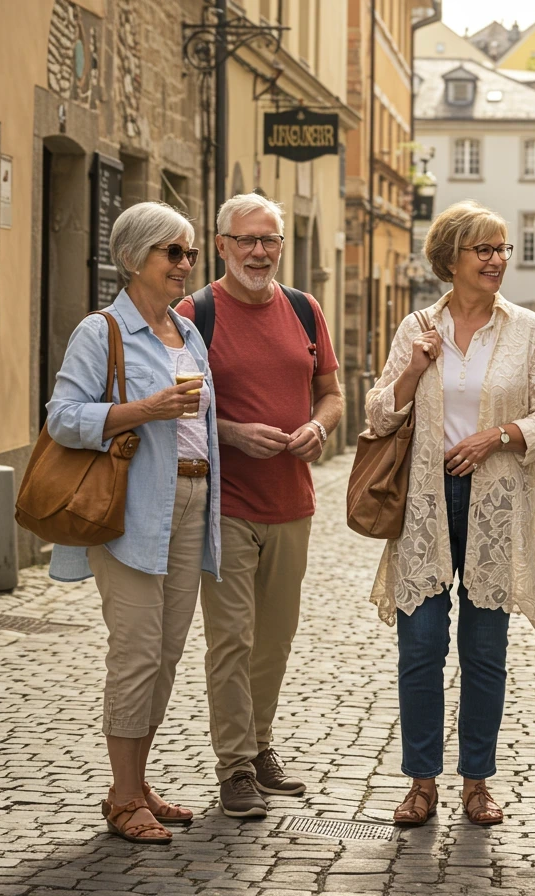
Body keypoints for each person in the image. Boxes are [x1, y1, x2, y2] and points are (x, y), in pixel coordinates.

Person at [365, 200, 535, 827]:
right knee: (420, 646)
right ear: (450, 258)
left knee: (485, 650)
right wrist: (415, 370)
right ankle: (420, 783)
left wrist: (497, 437)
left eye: (503, 249)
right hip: (426, 500)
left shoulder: (529, 329)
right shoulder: (416, 327)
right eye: (484, 249)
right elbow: (378, 414)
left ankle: (477, 782)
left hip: (496, 502)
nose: (498, 260)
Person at [46, 202, 220, 843]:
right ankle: (123, 799)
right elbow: (62, 417)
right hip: (132, 508)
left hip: (193, 502)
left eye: (191, 253)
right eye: (173, 253)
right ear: (133, 258)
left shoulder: (188, 332)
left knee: (168, 653)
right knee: (137, 649)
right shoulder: (102, 332)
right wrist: (143, 408)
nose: (186, 265)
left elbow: (200, 423)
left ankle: (137, 781)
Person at [176, 193, 342, 819]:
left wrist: (321, 428)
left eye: (268, 240)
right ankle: (235, 768)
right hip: (224, 504)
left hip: (292, 503)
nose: (259, 251)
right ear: (221, 246)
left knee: (274, 640)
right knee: (231, 639)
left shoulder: (304, 309)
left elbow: (332, 392)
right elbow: (176, 407)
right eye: (245, 240)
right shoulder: (194, 315)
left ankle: (261, 743)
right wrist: (232, 433)